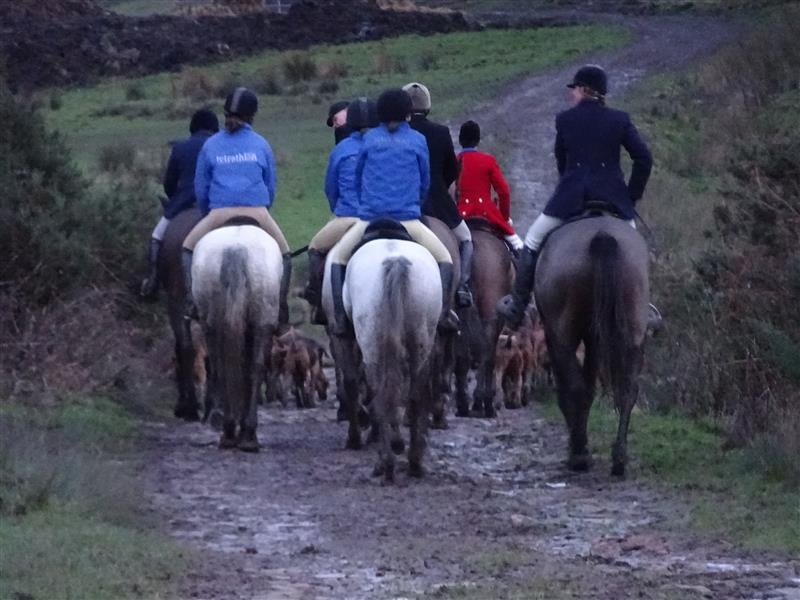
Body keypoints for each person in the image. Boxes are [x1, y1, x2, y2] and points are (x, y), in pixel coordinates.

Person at [497, 65, 657, 329]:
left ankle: (518, 305)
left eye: (574, 89)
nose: (572, 94)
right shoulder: (620, 119)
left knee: (533, 241)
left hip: (571, 198)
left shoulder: (565, 119)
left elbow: (562, 161)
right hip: (614, 201)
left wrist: (568, 186)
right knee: (635, 248)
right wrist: (630, 197)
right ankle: (644, 309)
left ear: (583, 89)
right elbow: (644, 159)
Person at [326, 88, 458, 336]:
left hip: (370, 219)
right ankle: (442, 315)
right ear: (407, 113)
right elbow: (424, 182)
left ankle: (341, 319)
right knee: (445, 259)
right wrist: (414, 202)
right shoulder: (417, 140)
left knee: (338, 259)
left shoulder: (369, 140)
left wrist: (367, 203)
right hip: (408, 220)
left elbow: (358, 178)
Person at [181, 87, 292, 327]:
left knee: (187, 249)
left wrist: (208, 214)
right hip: (257, 212)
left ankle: (192, 303)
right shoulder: (261, 144)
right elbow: (270, 186)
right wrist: (263, 210)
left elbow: (201, 188)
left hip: (219, 213)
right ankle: (281, 309)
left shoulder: (210, 145)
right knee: (285, 255)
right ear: (252, 116)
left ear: (225, 113)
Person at [303, 97, 378, 325]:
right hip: (381, 216)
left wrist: (339, 211)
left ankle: (318, 300)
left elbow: (331, 189)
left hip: (348, 217)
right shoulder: (383, 143)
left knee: (315, 248)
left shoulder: (341, 149)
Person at [403, 82, 474, 308]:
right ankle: (462, 287)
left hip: (403, 203)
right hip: (438, 203)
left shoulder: (397, 134)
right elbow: (452, 171)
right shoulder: (441, 132)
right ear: (428, 106)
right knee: (466, 238)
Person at [139, 108, 219, 300]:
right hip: (216, 205)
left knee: (157, 236)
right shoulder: (220, 147)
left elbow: (169, 184)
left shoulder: (180, 148)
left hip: (183, 203)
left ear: (193, 128)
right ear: (214, 129)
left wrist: (175, 198)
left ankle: (152, 281)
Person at [455, 120, 524, 253]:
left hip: (460, 216)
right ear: (478, 141)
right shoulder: (488, 160)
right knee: (519, 247)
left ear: (460, 140)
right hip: (487, 213)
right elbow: (504, 192)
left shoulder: (455, 161)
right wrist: (504, 218)